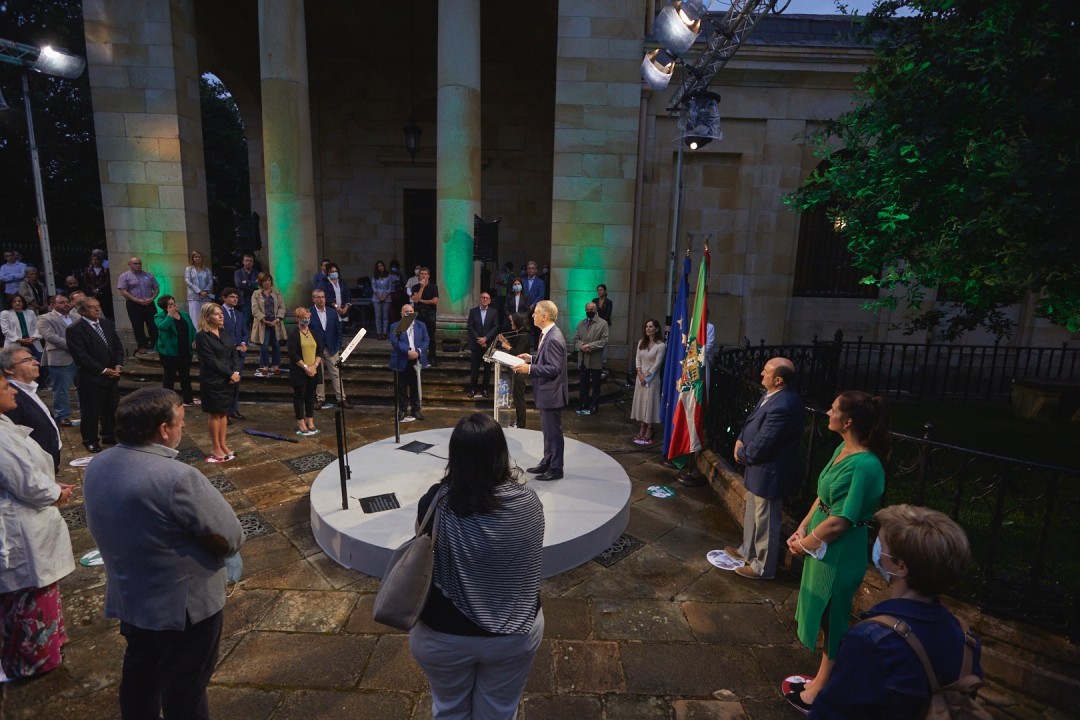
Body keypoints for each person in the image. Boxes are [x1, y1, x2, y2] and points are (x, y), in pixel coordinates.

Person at [83, 387, 244, 720]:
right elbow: (230, 536)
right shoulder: (177, 477)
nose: (183, 426)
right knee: (185, 690)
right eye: (180, 420)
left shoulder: (98, 464)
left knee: (140, 677)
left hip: (131, 597)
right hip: (182, 608)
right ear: (163, 429)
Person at [409, 413, 545, 719]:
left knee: (449, 709)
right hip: (516, 632)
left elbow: (420, 537)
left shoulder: (436, 502)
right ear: (500, 453)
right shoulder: (529, 502)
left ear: (455, 456)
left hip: (443, 634)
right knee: (499, 711)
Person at [807, 504, 984, 719]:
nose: (876, 547)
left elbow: (830, 712)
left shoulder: (869, 642)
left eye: (881, 544)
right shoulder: (966, 641)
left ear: (901, 566)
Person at [782, 390, 889, 713]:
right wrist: (801, 528)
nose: (828, 413)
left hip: (840, 552)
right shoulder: (842, 449)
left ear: (848, 421)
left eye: (833, 409)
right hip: (821, 545)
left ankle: (822, 689)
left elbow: (841, 521)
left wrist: (804, 545)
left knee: (834, 617)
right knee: (824, 612)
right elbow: (823, 498)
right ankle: (822, 679)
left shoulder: (865, 465)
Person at [0, 375, 74, 682]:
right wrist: (55, 493)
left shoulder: (4, 424)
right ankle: (33, 659)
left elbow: (27, 471)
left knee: (41, 590)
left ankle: (49, 646)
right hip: (20, 524)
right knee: (29, 595)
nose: (12, 391)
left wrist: (51, 484)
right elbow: (26, 482)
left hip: (29, 514)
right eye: (5, 387)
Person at [727, 357, 804, 580]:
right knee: (753, 514)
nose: (761, 373)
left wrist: (742, 454)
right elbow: (752, 422)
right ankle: (748, 552)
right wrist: (740, 439)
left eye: (766, 371)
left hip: (770, 473)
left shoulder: (784, 405)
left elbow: (765, 442)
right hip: (758, 469)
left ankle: (762, 567)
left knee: (766, 521)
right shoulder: (772, 394)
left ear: (778, 380)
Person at [513, 300, 568, 481]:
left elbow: (554, 368)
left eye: (536, 312)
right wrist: (532, 358)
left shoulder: (553, 337)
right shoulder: (548, 333)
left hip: (552, 393)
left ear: (544, 316)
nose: (533, 315)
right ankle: (547, 461)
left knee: (553, 432)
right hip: (547, 392)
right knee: (547, 431)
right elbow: (547, 358)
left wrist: (528, 369)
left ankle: (556, 468)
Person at [66, 297, 124, 453]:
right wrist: (104, 370)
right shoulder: (75, 329)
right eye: (93, 307)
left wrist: (118, 365)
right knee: (91, 411)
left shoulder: (106, 324)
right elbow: (81, 356)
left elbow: (117, 347)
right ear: (83, 311)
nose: (98, 309)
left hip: (112, 375)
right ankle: (90, 440)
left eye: (98, 306)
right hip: (91, 377)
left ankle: (109, 435)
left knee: (111, 407)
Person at [1, 346, 61, 468]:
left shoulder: (29, 389)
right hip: (33, 467)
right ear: (9, 369)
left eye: (33, 358)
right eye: (27, 360)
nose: (36, 362)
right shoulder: (10, 398)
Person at [195, 303, 240, 463]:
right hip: (213, 379)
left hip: (228, 379)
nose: (221, 316)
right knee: (215, 413)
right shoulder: (202, 336)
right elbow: (210, 360)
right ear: (207, 317)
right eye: (216, 314)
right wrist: (230, 373)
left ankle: (223, 444)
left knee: (223, 413)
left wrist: (236, 372)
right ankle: (215, 447)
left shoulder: (225, 332)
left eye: (221, 313)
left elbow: (233, 353)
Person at [37, 294, 80, 427]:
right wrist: (75, 346)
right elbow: (51, 337)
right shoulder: (45, 318)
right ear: (52, 305)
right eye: (61, 302)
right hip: (60, 357)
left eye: (67, 301)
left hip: (80, 358)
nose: (66, 304)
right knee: (61, 390)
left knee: (83, 387)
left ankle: (86, 412)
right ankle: (63, 416)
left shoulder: (77, 317)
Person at [154, 295, 197, 406]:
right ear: (165, 307)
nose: (174, 306)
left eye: (174, 303)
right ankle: (167, 401)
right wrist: (170, 315)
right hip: (169, 352)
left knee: (185, 376)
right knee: (169, 377)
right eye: (170, 305)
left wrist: (194, 340)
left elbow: (192, 329)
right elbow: (163, 327)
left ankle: (188, 399)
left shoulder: (184, 315)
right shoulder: (159, 316)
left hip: (185, 350)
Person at [310, 289, 349, 410]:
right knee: (319, 375)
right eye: (318, 297)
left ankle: (341, 399)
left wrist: (338, 344)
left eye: (323, 297)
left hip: (331, 347)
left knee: (336, 373)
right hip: (316, 349)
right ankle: (320, 399)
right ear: (313, 299)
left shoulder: (332, 312)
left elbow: (339, 329)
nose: (321, 299)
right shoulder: (309, 312)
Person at [389, 303, 428, 422]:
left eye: (411, 312)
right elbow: (395, 342)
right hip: (402, 359)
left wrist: (418, 352)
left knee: (415, 386)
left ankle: (416, 410)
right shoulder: (396, 326)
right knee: (401, 387)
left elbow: (426, 340)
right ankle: (402, 410)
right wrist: (408, 351)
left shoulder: (421, 325)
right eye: (406, 312)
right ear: (402, 314)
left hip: (416, 360)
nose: (409, 314)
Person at [287, 307, 323, 436]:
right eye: (304, 318)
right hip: (300, 370)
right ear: (297, 319)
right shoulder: (293, 334)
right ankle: (301, 421)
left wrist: (314, 366)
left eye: (308, 318)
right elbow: (293, 354)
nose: (306, 320)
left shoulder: (314, 333)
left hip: (313, 370)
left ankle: (310, 419)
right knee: (299, 396)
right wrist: (306, 367)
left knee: (310, 396)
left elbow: (320, 351)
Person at [630, 318, 665, 445]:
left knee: (649, 402)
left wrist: (647, 376)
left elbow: (658, 363)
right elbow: (637, 358)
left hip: (652, 378)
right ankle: (642, 427)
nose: (648, 329)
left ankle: (649, 429)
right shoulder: (641, 342)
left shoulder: (661, 345)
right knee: (641, 402)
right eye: (646, 327)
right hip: (640, 377)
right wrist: (640, 374)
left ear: (656, 329)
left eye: (650, 327)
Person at [115, 256, 160, 355]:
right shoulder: (124, 276)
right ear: (129, 264)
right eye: (135, 264)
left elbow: (156, 288)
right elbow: (123, 291)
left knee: (153, 325)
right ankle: (142, 345)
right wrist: (136, 300)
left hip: (149, 303)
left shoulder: (148, 275)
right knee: (137, 326)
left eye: (139, 263)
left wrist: (152, 299)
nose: (138, 265)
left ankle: (156, 344)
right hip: (134, 304)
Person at [573, 301, 609, 416]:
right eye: (587, 310)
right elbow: (575, 339)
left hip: (595, 359)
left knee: (596, 384)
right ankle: (583, 403)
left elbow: (604, 340)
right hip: (583, 359)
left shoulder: (603, 324)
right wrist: (581, 346)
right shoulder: (581, 323)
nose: (589, 312)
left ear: (595, 310)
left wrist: (589, 346)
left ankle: (594, 405)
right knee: (583, 384)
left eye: (591, 310)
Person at [497, 312, 532, 429]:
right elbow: (515, 349)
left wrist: (507, 346)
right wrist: (507, 343)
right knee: (517, 398)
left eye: (512, 321)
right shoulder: (520, 334)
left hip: (520, 370)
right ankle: (519, 422)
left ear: (518, 322)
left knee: (519, 398)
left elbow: (518, 353)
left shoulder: (524, 335)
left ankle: (521, 424)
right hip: (516, 369)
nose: (511, 323)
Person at [220, 287, 249, 421]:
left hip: (239, 355)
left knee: (236, 383)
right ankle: (224, 413)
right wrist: (233, 347)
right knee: (226, 383)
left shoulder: (239, 314)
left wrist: (243, 343)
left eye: (236, 297)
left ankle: (233, 409)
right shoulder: (218, 313)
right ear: (224, 298)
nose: (235, 299)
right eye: (232, 297)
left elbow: (245, 331)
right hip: (225, 354)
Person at [251, 272, 285, 377]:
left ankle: (276, 365)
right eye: (265, 281)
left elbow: (282, 307)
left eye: (269, 280)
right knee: (264, 345)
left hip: (275, 322)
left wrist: (277, 319)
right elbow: (254, 309)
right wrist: (263, 319)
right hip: (263, 322)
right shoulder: (256, 294)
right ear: (261, 282)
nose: (267, 282)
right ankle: (265, 366)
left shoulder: (277, 293)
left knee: (276, 344)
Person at [466, 291, 499, 398]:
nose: (485, 299)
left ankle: (485, 389)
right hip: (476, 345)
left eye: (487, 298)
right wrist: (479, 339)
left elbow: (496, 327)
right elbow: (470, 327)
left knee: (487, 369)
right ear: (479, 299)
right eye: (483, 297)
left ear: (489, 301)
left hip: (488, 346)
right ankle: (472, 389)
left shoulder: (493, 312)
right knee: (474, 369)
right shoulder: (473, 311)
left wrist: (486, 338)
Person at [409, 266, 438, 365]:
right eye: (422, 274)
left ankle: (432, 358)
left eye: (425, 274)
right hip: (419, 314)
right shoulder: (415, 287)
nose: (423, 276)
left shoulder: (433, 287)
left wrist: (422, 301)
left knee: (431, 337)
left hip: (430, 314)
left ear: (428, 276)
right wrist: (422, 287)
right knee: (419, 337)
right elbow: (416, 300)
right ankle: (420, 358)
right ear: (419, 276)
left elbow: (435, 301)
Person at [184, 250, 215, 320]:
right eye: (195, 257)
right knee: (195, 317)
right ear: (192, 258)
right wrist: (199, 292)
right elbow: (187, 281)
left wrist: (206, 291)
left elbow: (210, 281)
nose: (198, 258)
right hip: (194, 296)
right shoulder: (189, 269)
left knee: (207, 316)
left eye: (199, 257)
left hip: (205, 296)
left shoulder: (207, 270)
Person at [319, 262, 352, 326]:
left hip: (343, 312)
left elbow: (348, 295)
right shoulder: (324, 282)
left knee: (342, 328)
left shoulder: (342, 282)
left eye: (335, 271)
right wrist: (336, 307)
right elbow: (327, 296)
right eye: (332, 271)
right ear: (328, 272)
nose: (334, 273)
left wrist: (345, 308)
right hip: (330, 311)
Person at [232, 252, 259, 328]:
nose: (249, 262)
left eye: (251, 261)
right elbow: (238, 284)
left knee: (255, 321)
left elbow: (258, 285)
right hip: (244, 299)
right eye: (247, 260)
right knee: (245, 320)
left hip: (255, 299)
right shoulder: (238, 272)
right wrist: (253, 283)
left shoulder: (257, 273)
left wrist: (246, 282)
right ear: (243, 261)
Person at [371, 260, 394, 340]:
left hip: (386, 298)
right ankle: (379, 333)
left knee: (385, 316)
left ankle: (384, 332)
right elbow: (374, 287)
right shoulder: (374, 276)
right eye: (379, 266)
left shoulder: (388, 276)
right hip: (376, 298)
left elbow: (390, 287)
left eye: (381, 266)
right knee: (378, 316)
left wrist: (384, 296)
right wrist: (379, 297)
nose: (380, 268)